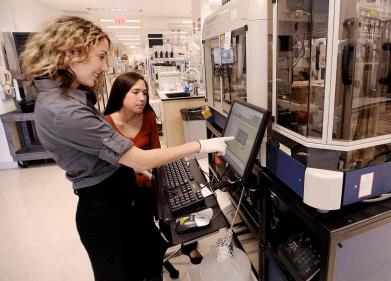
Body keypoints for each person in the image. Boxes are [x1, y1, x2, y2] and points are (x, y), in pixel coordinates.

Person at [21, 16, 233, 281]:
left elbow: (107, 154)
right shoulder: (64, 110)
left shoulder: (65, 99)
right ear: (72, 51)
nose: (104, 66)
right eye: (100, 56)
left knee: (149, 258)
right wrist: (201, 144)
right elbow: (139, 157)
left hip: (119, 200)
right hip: (105, 212)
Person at [103, 72, 203, 275]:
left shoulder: (148, 116)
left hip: (150, 181)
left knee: (188, 195)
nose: (142, 98)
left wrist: (163, 178)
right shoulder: (106, 124)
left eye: (145, 93)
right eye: (136, 92)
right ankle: (154, 253)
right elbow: (111, 166)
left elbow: (157, 154)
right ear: (120, 94)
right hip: (124, 191)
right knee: (144, 227)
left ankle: (187, 244)